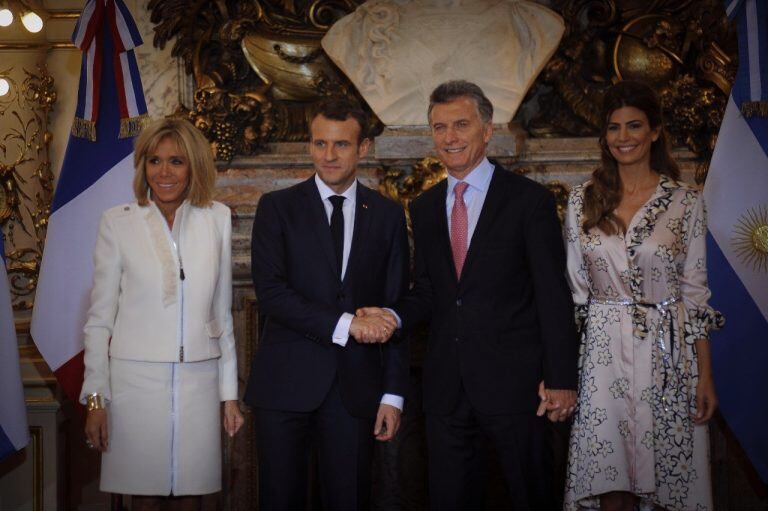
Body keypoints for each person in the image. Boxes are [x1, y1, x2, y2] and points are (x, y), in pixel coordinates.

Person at [359, 80, 579, 510]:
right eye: (439, 127)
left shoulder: (529, 202)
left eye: (461, 125)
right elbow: (428, 291)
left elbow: (553, 295)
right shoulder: (423, 207)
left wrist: (561, 380)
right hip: (446, 390)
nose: (450, 137)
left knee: (528, 496)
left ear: (487, 129)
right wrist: (392, 315)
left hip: (517, 388)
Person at [562, 81, 722, 510]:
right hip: (601, 354)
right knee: (608, 476)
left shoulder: (686, 202)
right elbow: (575, 293)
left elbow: (696, 294)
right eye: (613, 128)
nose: (623, 137)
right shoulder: (582, 201)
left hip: (669, 355)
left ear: (654, 131)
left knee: (668, 479)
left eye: (634, 125)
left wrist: (705, 375)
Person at [243, 98, 410, 511]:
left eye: (341, 145)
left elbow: (394, 306)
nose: (329, 155)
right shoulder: (277, 208)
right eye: (320, 143)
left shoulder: (388, 215)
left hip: (355, 390)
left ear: (364, 148)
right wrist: (347, 324)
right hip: (284, 387)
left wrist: (393, 395)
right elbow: (272, 293)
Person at [80, 118, 244, 510]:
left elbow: (221, 315)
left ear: (194, 166)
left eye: (176, 161)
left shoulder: (217, 218)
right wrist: (97, 400)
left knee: (194, 496)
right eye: (154, 161)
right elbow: (99, 321)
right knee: (144, 498)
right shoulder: (117, 222)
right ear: (143, 166)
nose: (164, 172)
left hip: (199, 383)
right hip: (134, 384)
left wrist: (229, 396)